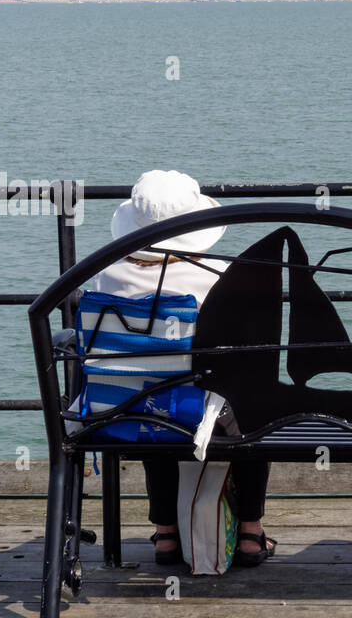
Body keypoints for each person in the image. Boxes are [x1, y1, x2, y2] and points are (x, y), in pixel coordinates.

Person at [90, 169, 275, 567]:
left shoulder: (103, 277)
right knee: (254, 406)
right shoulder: (216, 278)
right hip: (191, 416)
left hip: (121, 412)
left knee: (149, 396)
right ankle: (249, 531)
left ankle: (167, 534)